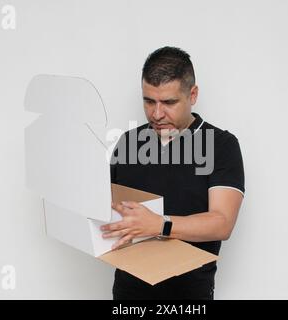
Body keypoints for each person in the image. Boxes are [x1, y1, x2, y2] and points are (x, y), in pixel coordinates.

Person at [100, 46, 245, 300]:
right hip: (128, 292)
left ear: (193, 94)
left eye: (168, 102)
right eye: (148, 101)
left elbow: (222, 222)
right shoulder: (128, 142)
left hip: (189, 295)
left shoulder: (221, 145)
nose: (156, 114)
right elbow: (105, 207)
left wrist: (159, 225)